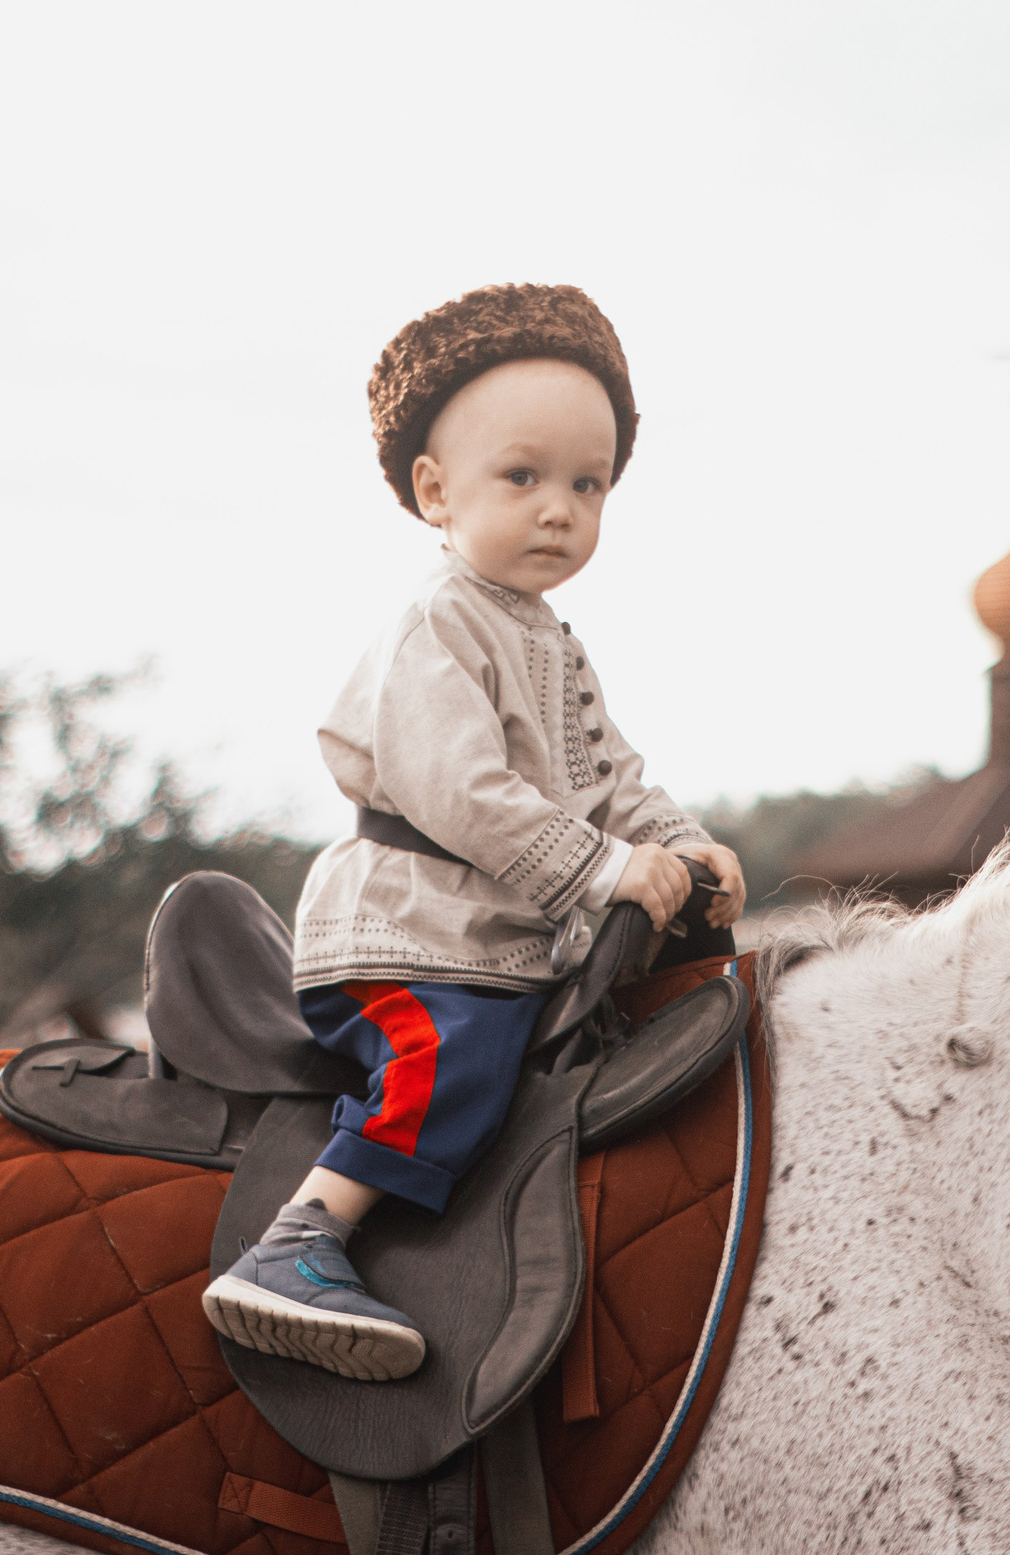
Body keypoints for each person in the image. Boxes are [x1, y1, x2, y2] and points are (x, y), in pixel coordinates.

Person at [201, 284, 745, 1382]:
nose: (560, 509)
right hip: (409, 934)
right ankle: (303, 1233)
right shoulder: (435, 623)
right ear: (436, 492)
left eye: (588, 485)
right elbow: (462, 791)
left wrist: (684, 846)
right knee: (452, 1054)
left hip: (493, 932)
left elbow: (611, 778)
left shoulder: (552, 639)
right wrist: (602, 870)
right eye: (524, 476)